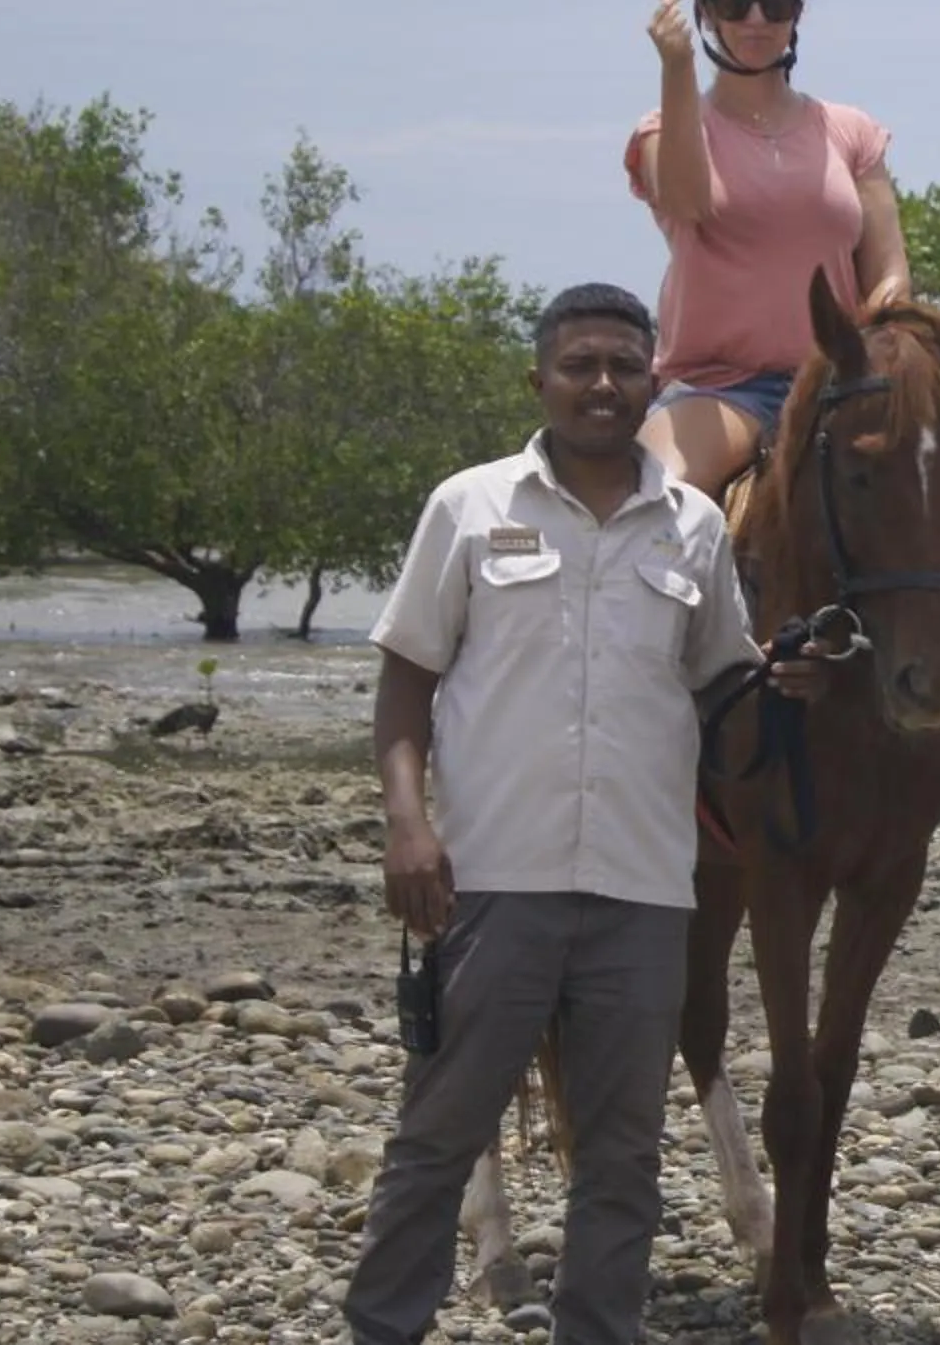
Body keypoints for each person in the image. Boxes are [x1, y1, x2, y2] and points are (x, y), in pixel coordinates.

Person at [343, 284, 826, 1345]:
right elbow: (407, 677)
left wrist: (780, 681)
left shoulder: (693, 524)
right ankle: (382, 1329)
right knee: (437, 1133)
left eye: (623, 366)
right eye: (579, 365)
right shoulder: (469, 505)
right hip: (492, 881)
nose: (602, 384)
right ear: (540, 381)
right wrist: (407, 825)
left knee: (622, 1156)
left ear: (655, 382)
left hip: (644, 891)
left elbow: (720, 681)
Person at [626, 0, 940, 819]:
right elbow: (691, 203)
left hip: (839, 385)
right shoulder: (665, 131)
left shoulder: (851, 134)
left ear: (799, 11)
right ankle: (639, 735)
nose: (755, 19)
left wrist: (895, 337)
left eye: (775, 2)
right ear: (703, 11)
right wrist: (672, 70)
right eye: (734, 2)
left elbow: (886, 268)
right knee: (660, 506)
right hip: (719, 386)